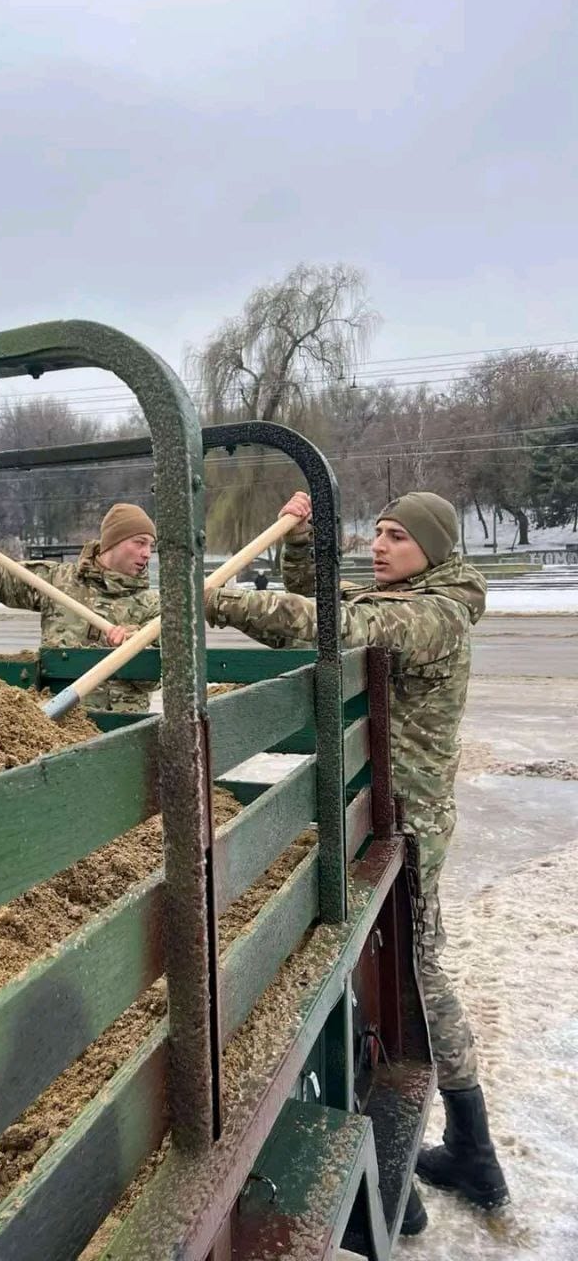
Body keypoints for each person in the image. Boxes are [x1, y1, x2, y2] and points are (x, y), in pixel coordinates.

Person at [204, 490, 509, 1234]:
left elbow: (334, 624)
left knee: (413, 979)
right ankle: (457, 1151)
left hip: (408, 827)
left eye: (397, 536)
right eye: (376, 532)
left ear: (432, 549)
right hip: (384, 815)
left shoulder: (434, 616)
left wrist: (217, 601)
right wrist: (302, 539)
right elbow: (324, 596)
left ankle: (452, 1153)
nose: (379, 545)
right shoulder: (409, 598)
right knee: (390, 973)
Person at [0, 503, 159, 712]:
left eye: (151, 545)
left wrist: (135, 647)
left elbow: (158, 677)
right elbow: (0, 582)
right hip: (56, 721)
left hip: (120, 724)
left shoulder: (153, 605)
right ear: (113, 542)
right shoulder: (58, 580)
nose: (147, 553)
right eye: (140, 543)